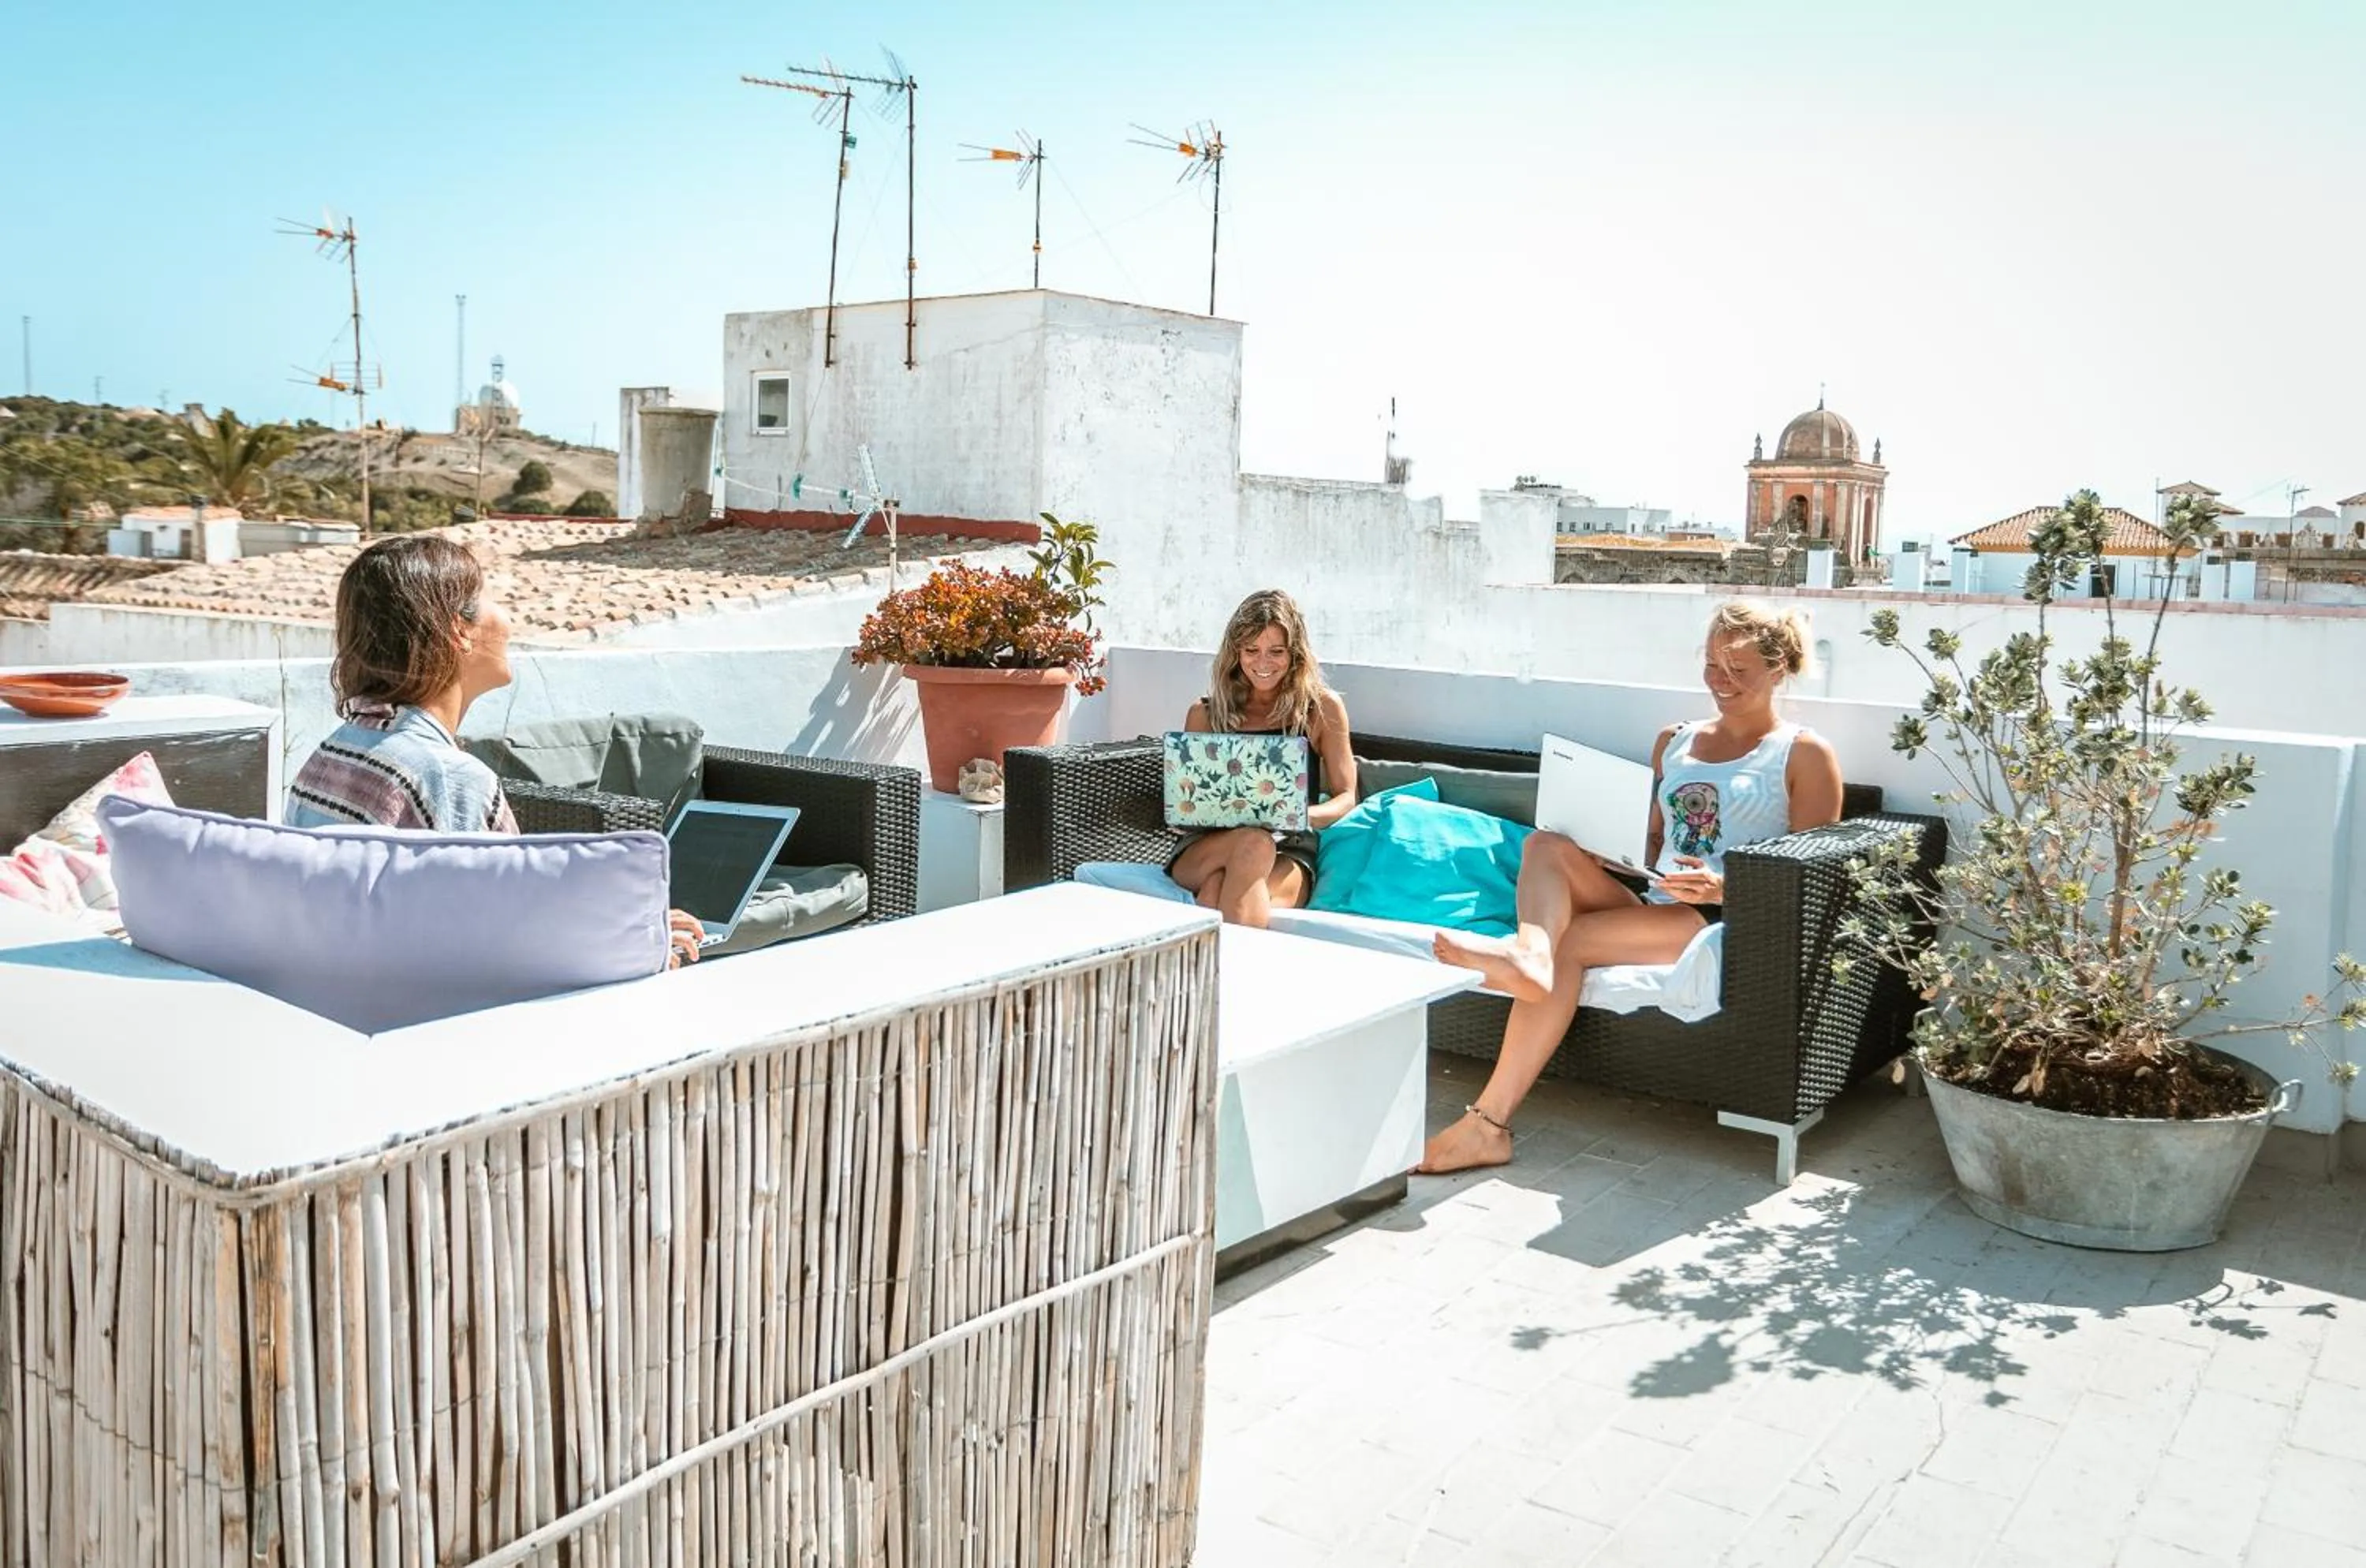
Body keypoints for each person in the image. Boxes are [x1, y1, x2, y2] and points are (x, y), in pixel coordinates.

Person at [1418, 602, 1843, 1174]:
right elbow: (1656, 840)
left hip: (1723, 918)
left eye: (1737, 670)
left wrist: (1721, 886)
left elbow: (1813, 869)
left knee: (1576, 942)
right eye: (1711, 665)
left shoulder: (1802, 753)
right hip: (1656, 899)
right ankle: (1529, 955)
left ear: (1778, 670)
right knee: (1545, 845)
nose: (1720, 681)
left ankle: (1486, 1126)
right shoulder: (1676, 740)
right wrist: (1611, 854)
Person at [286, 534, 706, 969]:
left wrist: (611, 923)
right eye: (489, 597)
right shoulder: (448, 778)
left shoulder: (333, 754)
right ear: (459, 631)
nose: (507, 618)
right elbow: (504, 949)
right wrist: (634, 944)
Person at [1168, 589, 1358, 928]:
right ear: (1236, 652)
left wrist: (1294, 816)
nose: (1263, 663)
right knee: (1252, 842)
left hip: (1289, 847)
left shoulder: (1321, 709)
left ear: (1295, 654)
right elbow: (1188, 803)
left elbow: (1346, 798)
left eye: (1276, 651)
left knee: (1216, 889)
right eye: (1251, 650)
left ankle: (1211, 959)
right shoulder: (1206, 714)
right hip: (1209, 845)